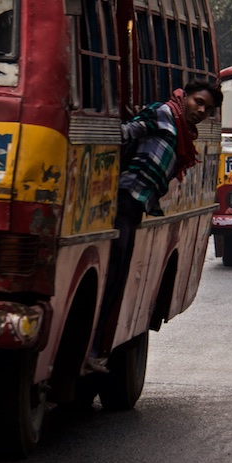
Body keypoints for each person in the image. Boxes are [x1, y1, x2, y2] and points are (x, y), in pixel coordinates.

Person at [87, 79, 223, 372]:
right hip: (124, 198)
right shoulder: (163, 113)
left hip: (136, 206)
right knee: (112, 277)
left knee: (118, 280)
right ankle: (92, 349)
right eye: (198, 102)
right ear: (185, 96)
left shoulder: (184, 131)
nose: (201, 111)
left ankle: (98, 349)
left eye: (208, 109)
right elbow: (125, 132)